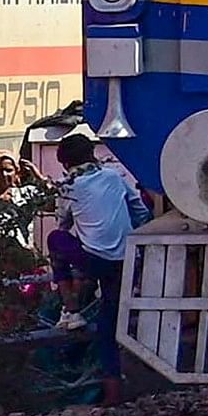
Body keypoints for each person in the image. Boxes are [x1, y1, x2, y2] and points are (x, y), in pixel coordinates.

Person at [54, 130, 144, 393]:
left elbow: (63, 223)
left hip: (95, 261)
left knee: (55, 240)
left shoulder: (69, 185)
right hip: (127, 260)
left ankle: (70, 307)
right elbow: (140, 209)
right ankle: (114, 388)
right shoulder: (114, 177)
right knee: (109, 324)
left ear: (66, 162)